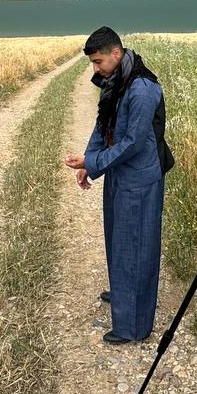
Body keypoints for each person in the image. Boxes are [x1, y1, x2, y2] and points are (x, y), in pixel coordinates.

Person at [64, 27, 171, 345]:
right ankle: (125, 293)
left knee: (138, 247)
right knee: (119, 240)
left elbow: (133, 143)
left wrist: (92, 163)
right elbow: (103, 124)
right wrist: (91, 160)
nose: (96, 70)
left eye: (98, 62)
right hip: (118, 175)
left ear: (116, 53)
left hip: (138, 179)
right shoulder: (116, 80)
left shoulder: (142, 88)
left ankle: (133, 327)